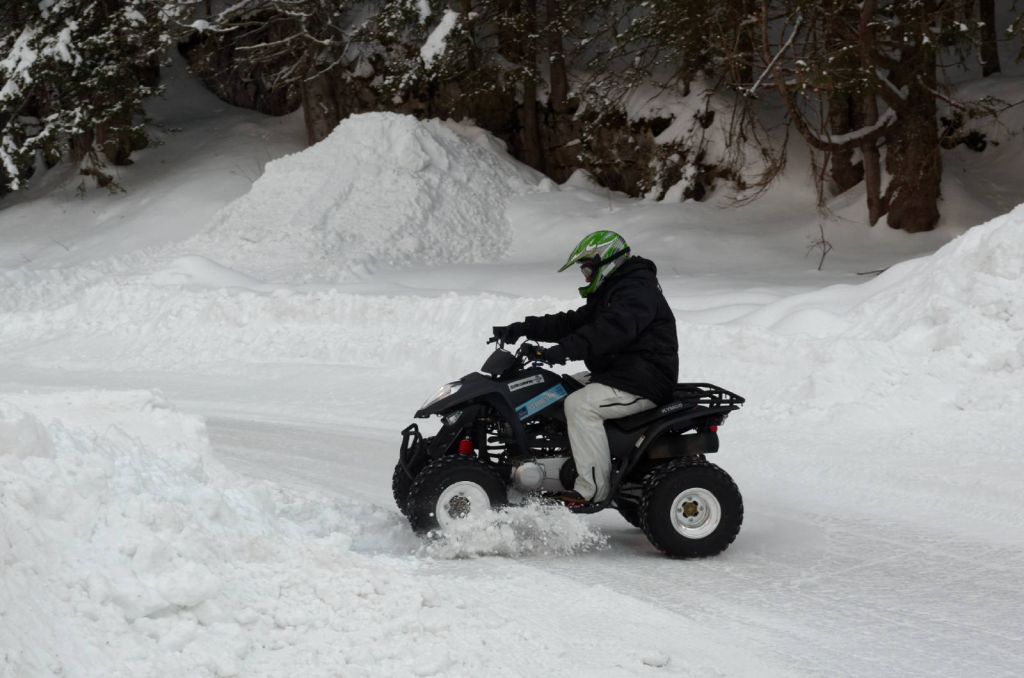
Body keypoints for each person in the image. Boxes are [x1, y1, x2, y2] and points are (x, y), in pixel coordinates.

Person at [493, 230, 678, 505]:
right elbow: (573, 323)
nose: (585, 277)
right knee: (555, 390)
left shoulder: (636, 291)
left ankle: (590, 491)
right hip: (621, 372)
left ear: (607, 261)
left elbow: (608, 331)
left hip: (644, 378)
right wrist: (523, 328)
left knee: (580, 406)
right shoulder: (616, 288)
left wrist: (558, 352)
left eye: (588, 269)